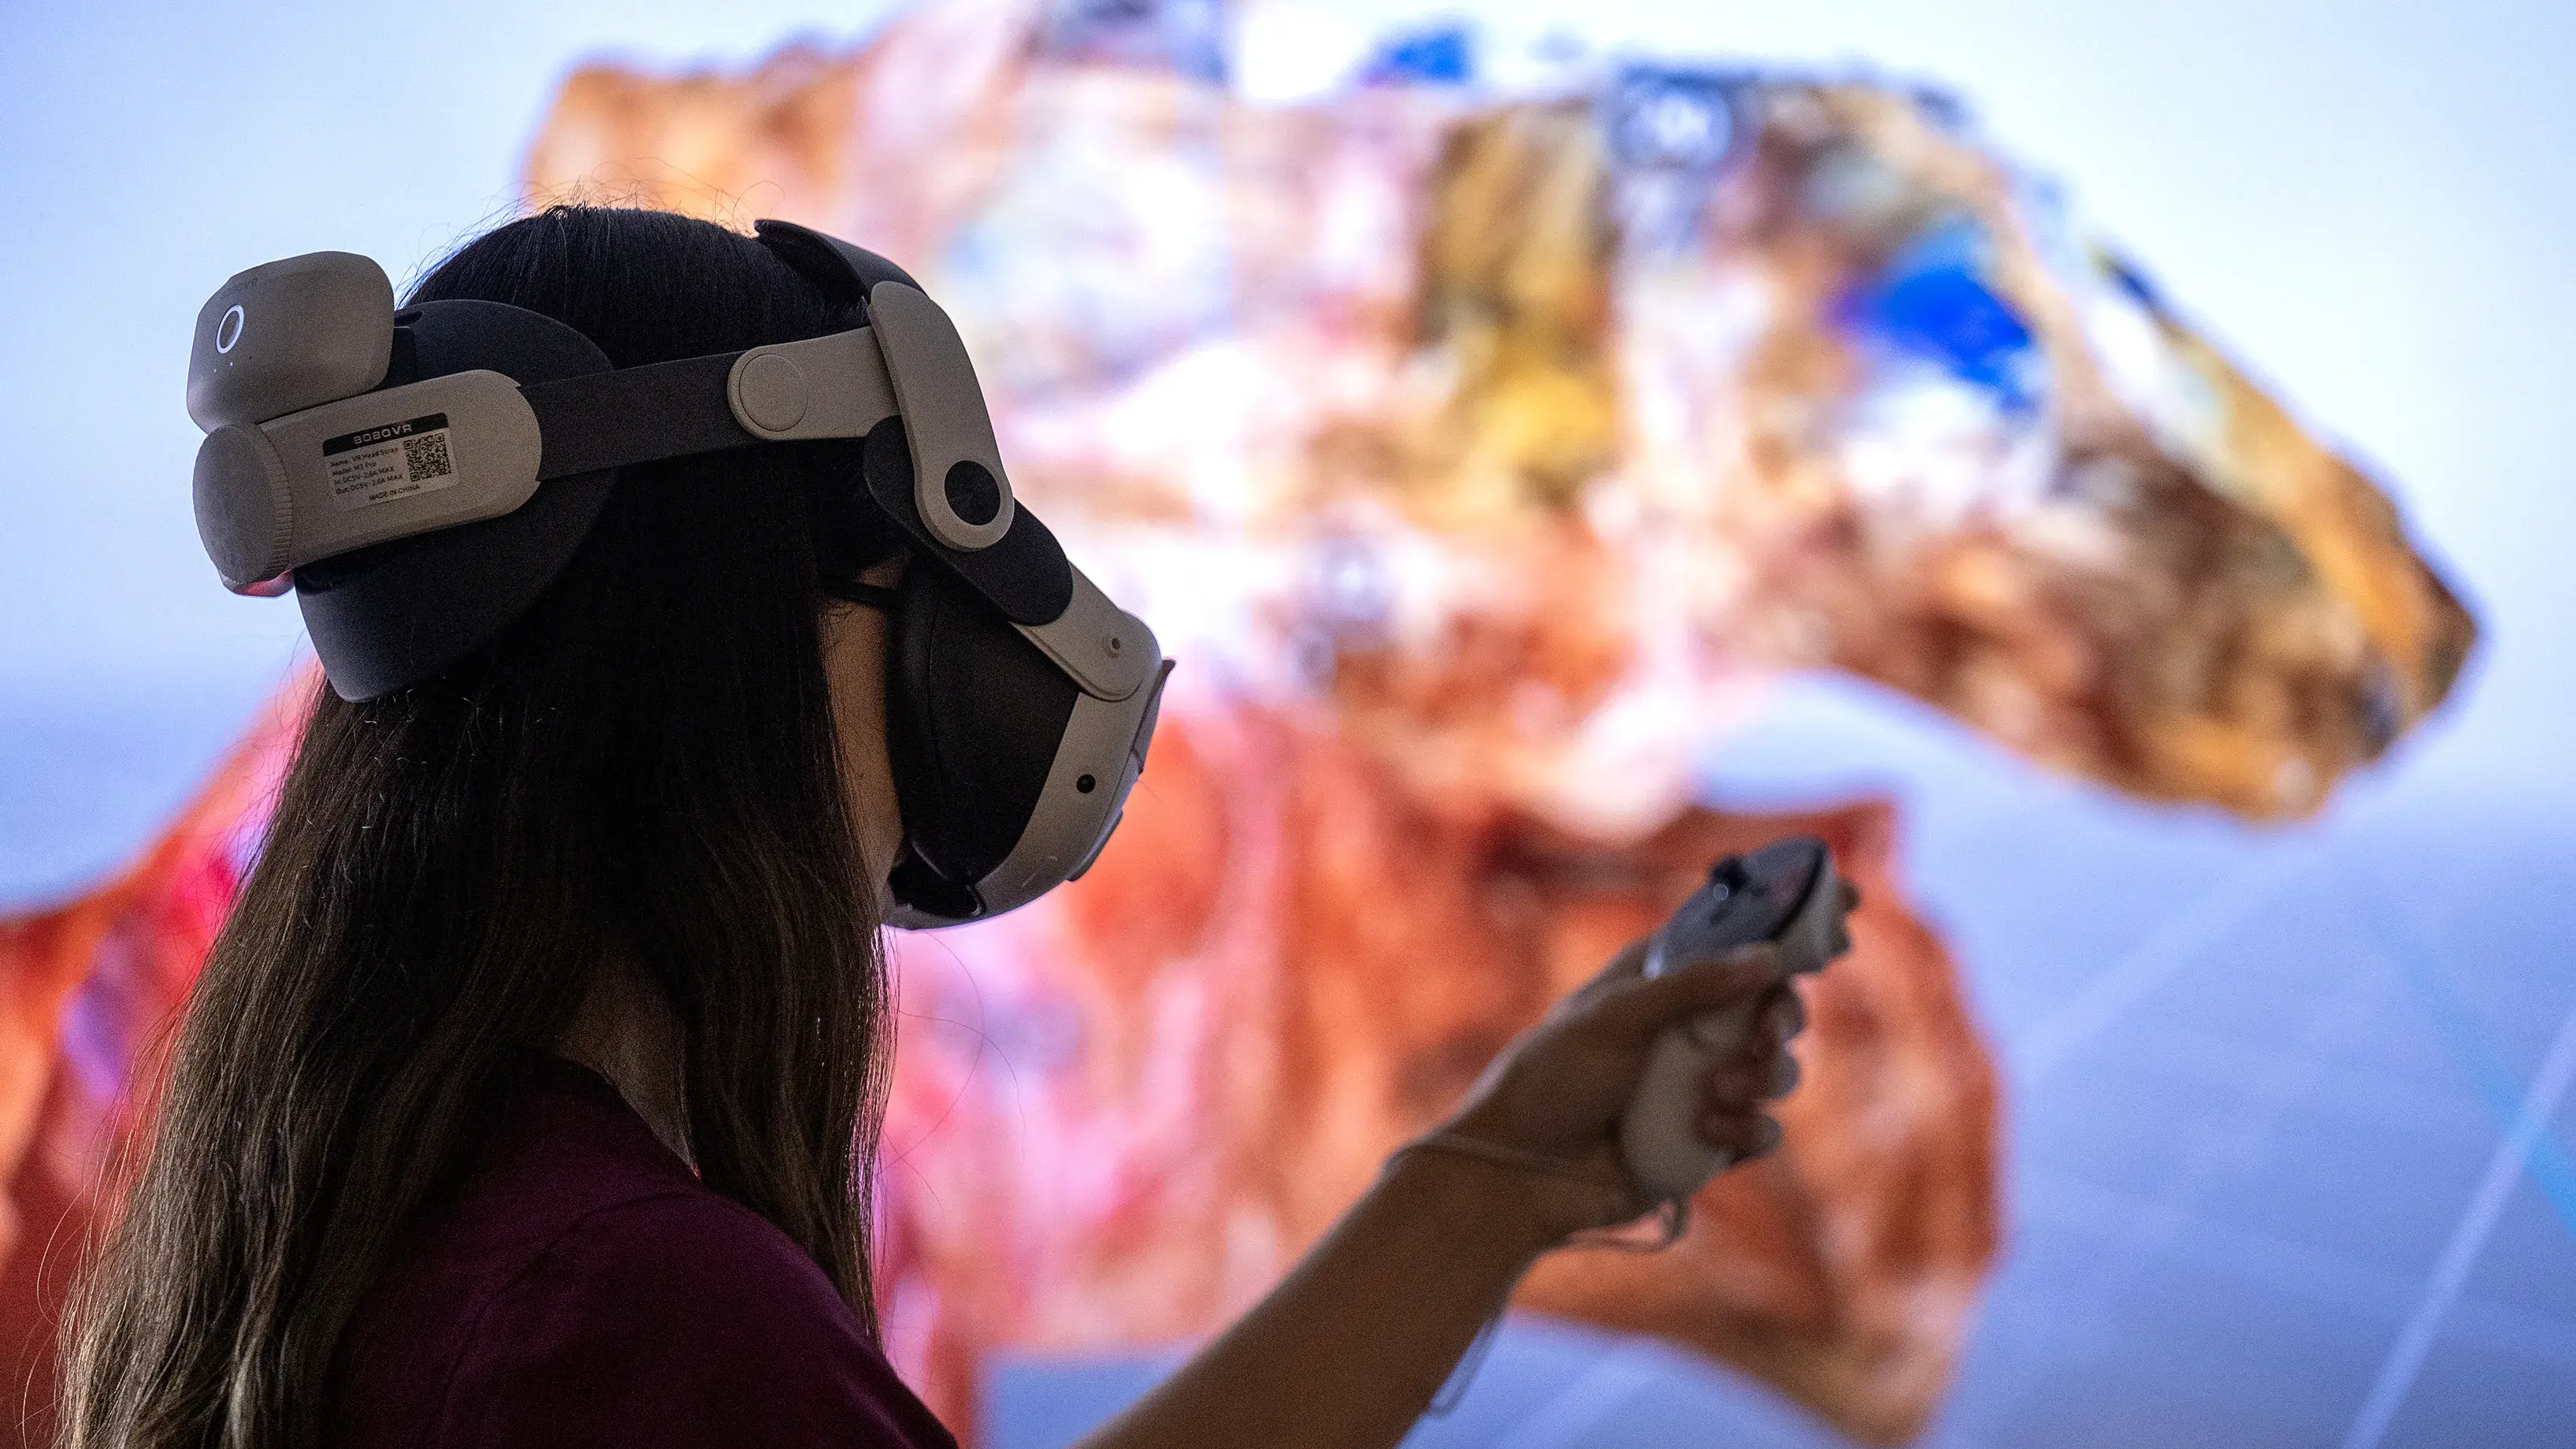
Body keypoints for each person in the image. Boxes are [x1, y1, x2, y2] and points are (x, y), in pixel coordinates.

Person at [61, 206, 1815, 1449]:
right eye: (922, 594)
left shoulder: (386, 1207)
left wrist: (1505, 1176)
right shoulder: (632, 1318)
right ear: (754, 646)